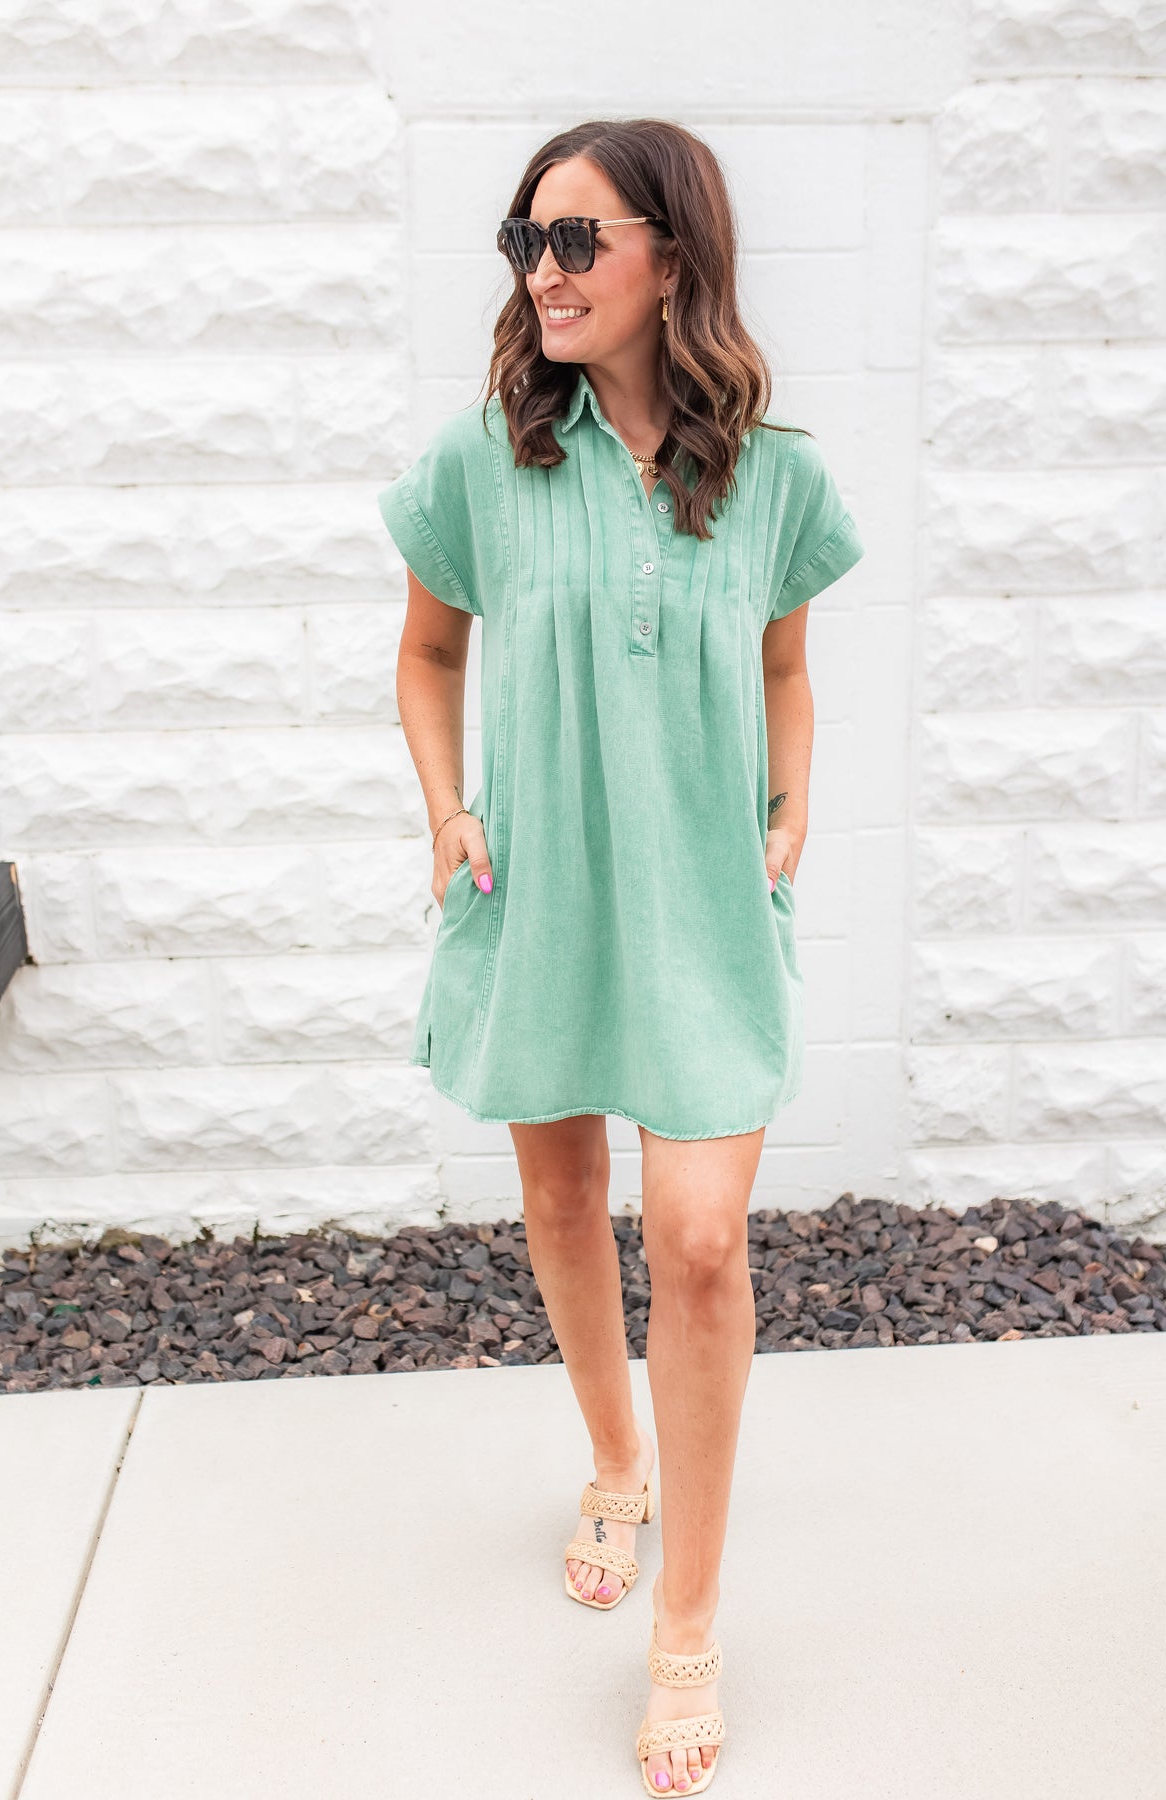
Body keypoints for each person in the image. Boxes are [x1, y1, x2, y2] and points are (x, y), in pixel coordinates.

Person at [379, 117, 864, 1797]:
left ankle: (690, 1625)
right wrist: (448, 810)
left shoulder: (776, 475)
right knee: (568, 1195)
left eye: (579, 238)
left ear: (674, 257)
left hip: (706, 902)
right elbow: (428, 655)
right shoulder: (486, 456)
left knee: (707, 1245)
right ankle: (613, 1459)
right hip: (543, 889)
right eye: (529, 240)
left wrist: (792, 805)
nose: (547, 270)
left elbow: (787, 669)